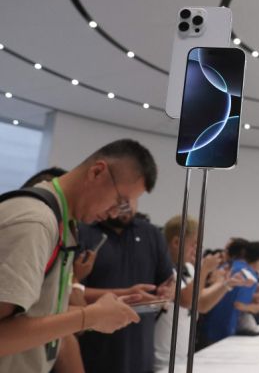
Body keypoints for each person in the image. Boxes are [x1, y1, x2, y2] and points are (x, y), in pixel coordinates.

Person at [0, 139, 154, 373]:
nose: (115, 213)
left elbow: (43, 316)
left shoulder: (63, 222)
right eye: (119, 201)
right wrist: (88, 317)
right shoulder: (36, 222)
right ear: (97, 172)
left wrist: (101, 312)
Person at [78, 200, 175, 372]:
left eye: (132, 200)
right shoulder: (84, 232)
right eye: (121, 201)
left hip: (140, 352)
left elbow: (168, 281)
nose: (126, 207)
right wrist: (127, 295)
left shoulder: (151, 234)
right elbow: (73, 292)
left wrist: (167, 292)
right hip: (94, 351)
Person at [154, 215, 250, 371]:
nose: (197, 250)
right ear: (176, 242)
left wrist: (226, 285)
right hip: (161, 357)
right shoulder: (161, 269)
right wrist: (204, 269)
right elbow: (186, 300)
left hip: (182, 354)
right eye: (194, 244)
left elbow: (202, 304)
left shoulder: (189, 269)